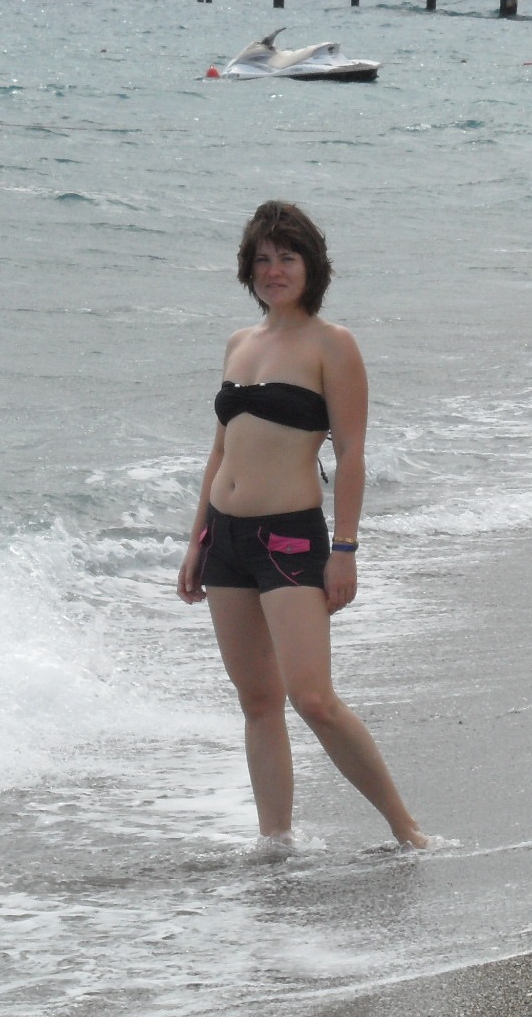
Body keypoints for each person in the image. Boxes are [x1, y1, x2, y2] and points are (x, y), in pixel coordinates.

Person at [178, 201, 428, 849]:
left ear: (311, 265)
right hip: (226, 541)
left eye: (287, 257)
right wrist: (196, 541)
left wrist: (345, 549)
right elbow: (220, 450)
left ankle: (406, 829)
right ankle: (276, 842)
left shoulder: (332, 344)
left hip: (290, 538)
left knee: (312, 698)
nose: (274, 270)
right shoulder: (240, 343)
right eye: (262, 259)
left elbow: (351, 452)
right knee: (257, 702)